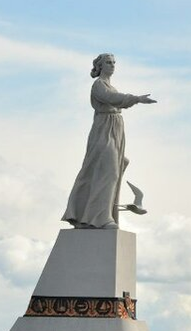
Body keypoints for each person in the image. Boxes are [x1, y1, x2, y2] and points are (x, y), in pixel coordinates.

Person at [61, 53, 156, 229]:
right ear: (100, 66)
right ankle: (101, 217)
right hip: (104, 128)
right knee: (109, 170)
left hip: (115, 129)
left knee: (117, 166)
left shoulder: (110, 86)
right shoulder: (98, 85)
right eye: (108, 62)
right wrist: (137, 99)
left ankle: (93, 215)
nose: (112, 65)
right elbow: (113, 99)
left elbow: (116, 99)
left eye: (114, 62)